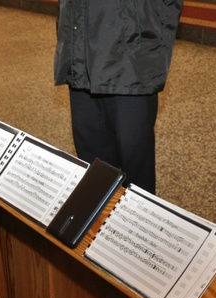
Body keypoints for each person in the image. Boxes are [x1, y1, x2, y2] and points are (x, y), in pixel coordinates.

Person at [54, 0, 183, 194]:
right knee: (94, 164)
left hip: (131, 50)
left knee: (134, 161)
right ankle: (98, 219)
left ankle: (136, 220)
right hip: (79, 43)